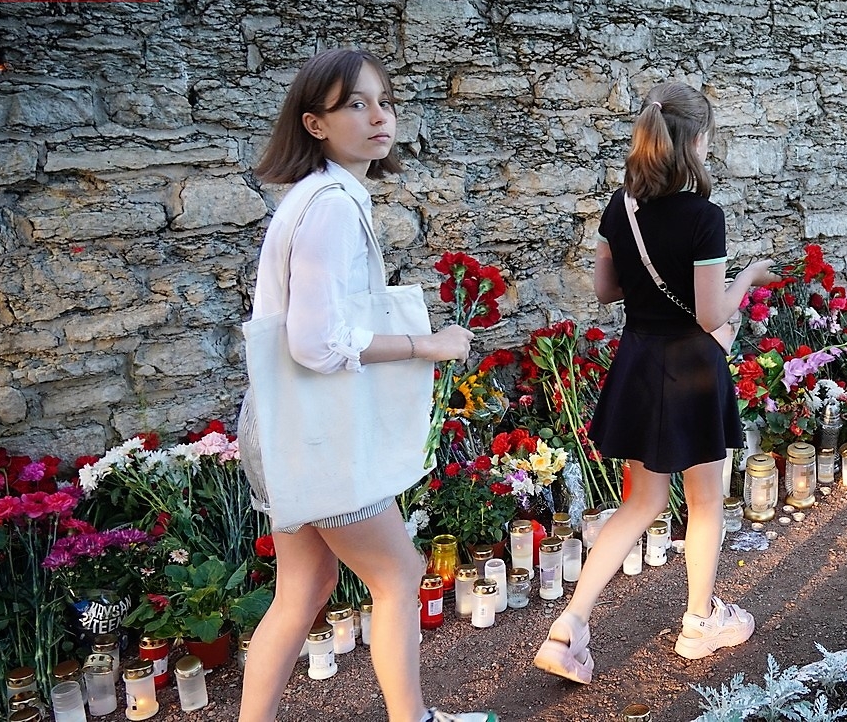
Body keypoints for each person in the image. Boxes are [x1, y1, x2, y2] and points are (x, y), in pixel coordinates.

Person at [238, 49, 493, 722]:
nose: (380, 116)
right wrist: (426, 345)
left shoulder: (316, 196)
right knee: (398, 573)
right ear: (315, 124)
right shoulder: (330, 207)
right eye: (356, 104)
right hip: (315, 436)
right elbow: (316, 344)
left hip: (282, 424)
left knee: (304, 589)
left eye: (385, 101)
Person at [533, 82, 780, 684]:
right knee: (706, 501)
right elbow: (710, 314)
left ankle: (569, 627)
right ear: (695, 142)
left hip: (641, 363)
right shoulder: (704, 218)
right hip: (692, 368)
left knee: (639, 504)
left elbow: (605, 291)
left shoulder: (619, 208)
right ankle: (699, 621)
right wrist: (749, 277)